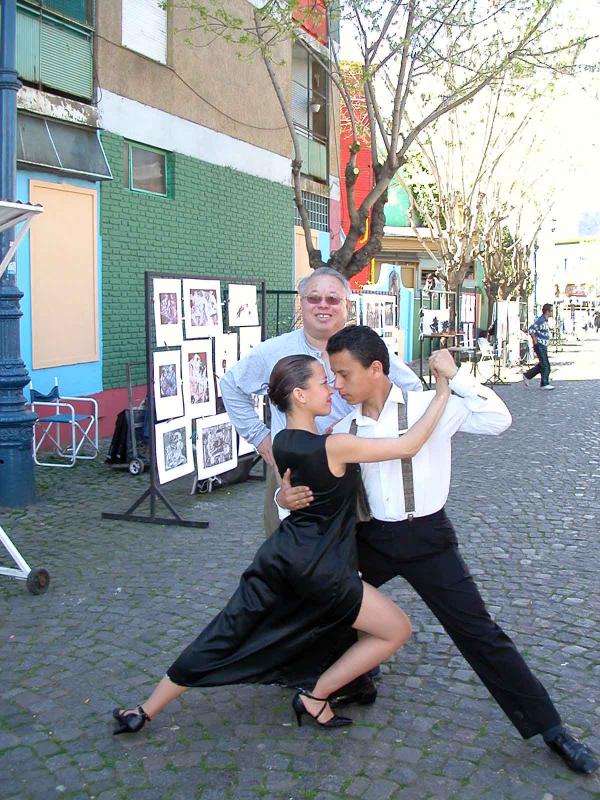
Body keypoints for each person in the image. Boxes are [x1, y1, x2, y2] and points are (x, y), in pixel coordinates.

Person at [278, 325, 598, 775]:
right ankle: (351, 680)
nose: (337, 385)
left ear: (376, 369)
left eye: (344, 374)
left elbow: (498, 420)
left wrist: (454, 377)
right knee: (325, 601)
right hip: (371, 538)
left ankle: (552, 730)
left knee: (480, 634)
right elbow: (311, 488)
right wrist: (282, 499)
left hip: (428, 539)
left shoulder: (430, 405)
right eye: (332, 375)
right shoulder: (345, 427)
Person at [112, 353, 450, 735]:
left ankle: (145, 709)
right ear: (300, 395)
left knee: (227, 630)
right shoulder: (334, 445)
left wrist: (283, 498)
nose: (332, 389)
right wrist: (441, 391)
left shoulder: (284, 443)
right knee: (396, 630)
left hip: (282, 556)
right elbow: (408, 445)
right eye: (323, 383)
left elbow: (303, 484)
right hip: (320, 567)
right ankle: (314, 695)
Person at [220, 267, 422, 536]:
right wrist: (259, 437)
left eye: (333, 299)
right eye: (313, 298)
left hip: (353, 465)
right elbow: (230, 386)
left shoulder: (367, 349)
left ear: (346, 305)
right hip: (294, 470)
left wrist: (364, 418)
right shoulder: (273, 352)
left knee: (351, 550)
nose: (323, 306)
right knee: (290, 551)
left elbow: (411, 388)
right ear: (301, 302)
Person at [523, 304, 554, 389]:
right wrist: (535, 340)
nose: (552, 312)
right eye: (551, 311)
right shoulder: (541, 320)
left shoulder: (545, 321)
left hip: (543, 344)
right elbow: (531, 329)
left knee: (542, 364)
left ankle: (527, 375)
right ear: (547, 312)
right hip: (539, 345)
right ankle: (544, 383)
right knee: (545, 365)